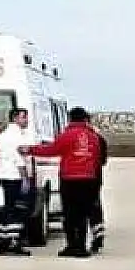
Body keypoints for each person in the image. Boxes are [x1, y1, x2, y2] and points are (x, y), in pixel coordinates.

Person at [28, 106, 104, 257]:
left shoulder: (67, 135)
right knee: (82, 215)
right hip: (88, 179)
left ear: (70, 118)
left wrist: (30, 150)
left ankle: (71, 246)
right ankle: (82, 247)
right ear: (85, 119)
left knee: (70, 214)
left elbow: (51, 150)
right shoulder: (93, 137)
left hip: (70, 179)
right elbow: (98, 159)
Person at [0, 107, 35, 256]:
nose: (26, 121)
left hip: (5, 176)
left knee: (8, 209)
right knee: (18, 211)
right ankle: (14, 242)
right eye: (24, 117)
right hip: (15, 177)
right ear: (16, 118)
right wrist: (25, 179)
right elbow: (19, 159)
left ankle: (4, 241)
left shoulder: (3, 135)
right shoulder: (16, 135)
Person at [90, 127, 109, 253]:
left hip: (75, 179)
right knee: (95, 207)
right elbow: (103, 161)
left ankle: (77, 241)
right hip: (95, 178)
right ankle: (98, 236)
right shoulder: (99, 138)